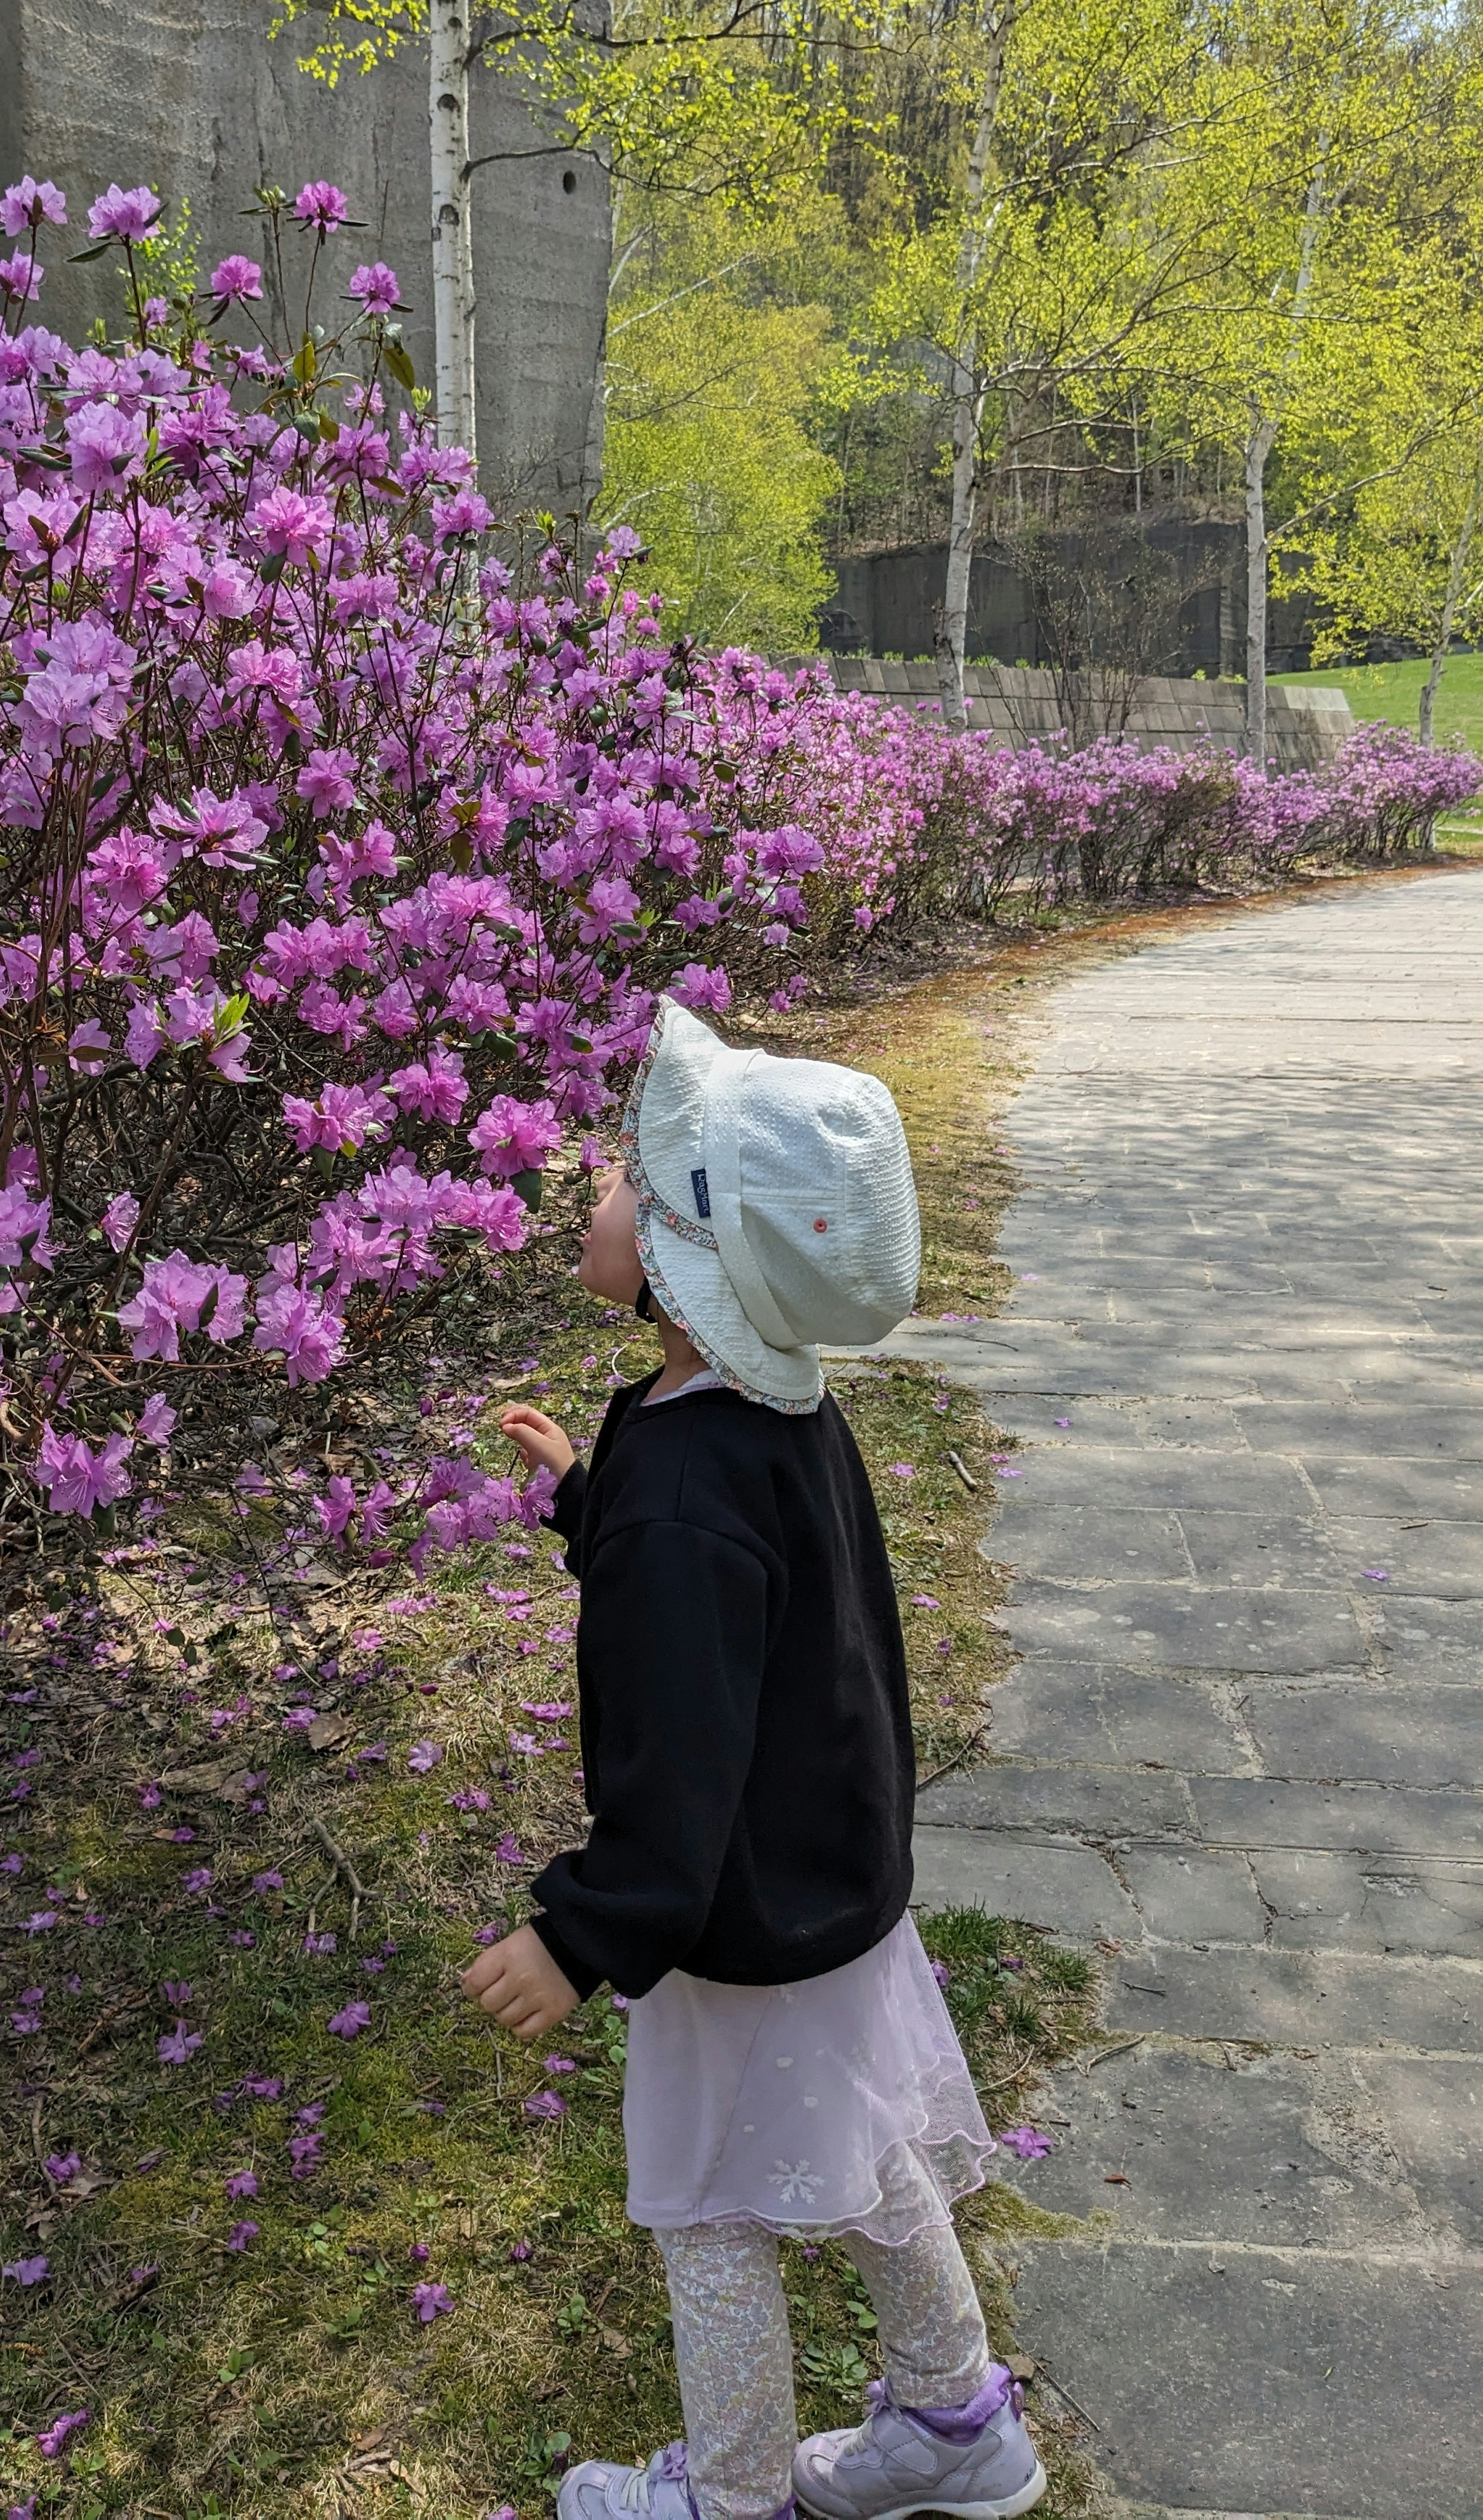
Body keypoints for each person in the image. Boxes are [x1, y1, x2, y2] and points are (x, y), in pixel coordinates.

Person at [463, 997, 1046, 2520]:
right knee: (864, 2146)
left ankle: (727, 2494)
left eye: (623, 1181)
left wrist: (583, 1930)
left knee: (712, 2207)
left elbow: (685, 1742)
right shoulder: (768, 1411)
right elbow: (748, 1610)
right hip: (832, 1883)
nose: (594, 1193)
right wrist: (591, 1502)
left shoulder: (685, 1489)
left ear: (675, 1259)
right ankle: (955, 2418)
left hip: (731, 1923)